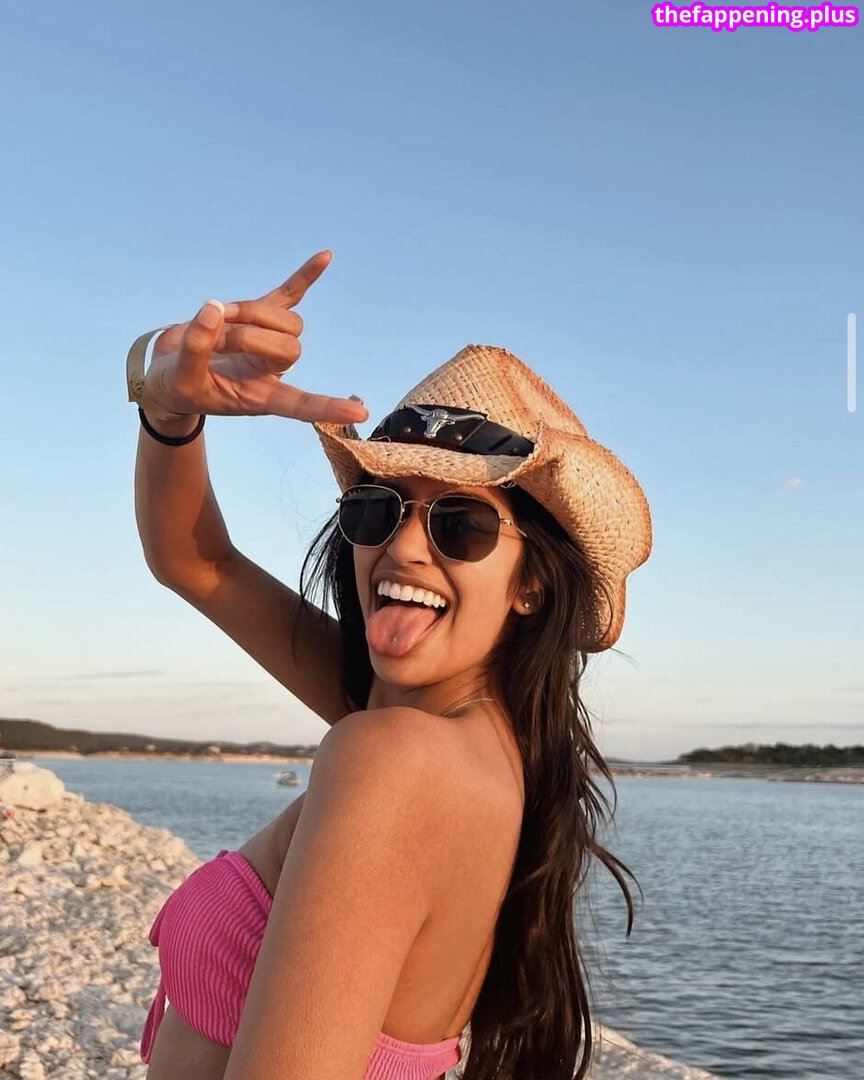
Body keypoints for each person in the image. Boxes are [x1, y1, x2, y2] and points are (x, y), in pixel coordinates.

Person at [129, 250, 652, 1080]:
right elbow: (198, 563)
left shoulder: (393, 755)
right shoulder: (437, 731)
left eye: (461, 524)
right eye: (379, 509)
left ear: (531, 584)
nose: (403, 547)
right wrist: (168, 409)